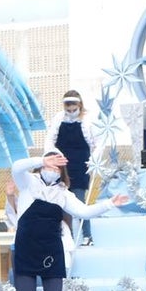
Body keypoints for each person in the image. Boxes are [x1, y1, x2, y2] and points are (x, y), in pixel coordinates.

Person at [11, 152, 129, 291]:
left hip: (51, 251)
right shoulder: (28, 182)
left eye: (57, 168)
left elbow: (84, 212)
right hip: (25, 249)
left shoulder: (63, 193)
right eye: (49, 165)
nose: (51, 170)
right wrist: (40, 160)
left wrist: (109, 204)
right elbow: (17, 166)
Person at [47, 90, 98, 244]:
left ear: (79, 105)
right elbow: (50, 140)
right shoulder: (58, 119)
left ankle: (87, 236)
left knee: (80, 201)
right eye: (68, 110)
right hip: (62, 167)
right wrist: (52, 157)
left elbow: (96, 144)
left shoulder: (88, 120)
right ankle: (65, 235)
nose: (71, 112)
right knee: (61, 202)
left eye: (73, 109)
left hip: (81, 167)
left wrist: (93, 160)